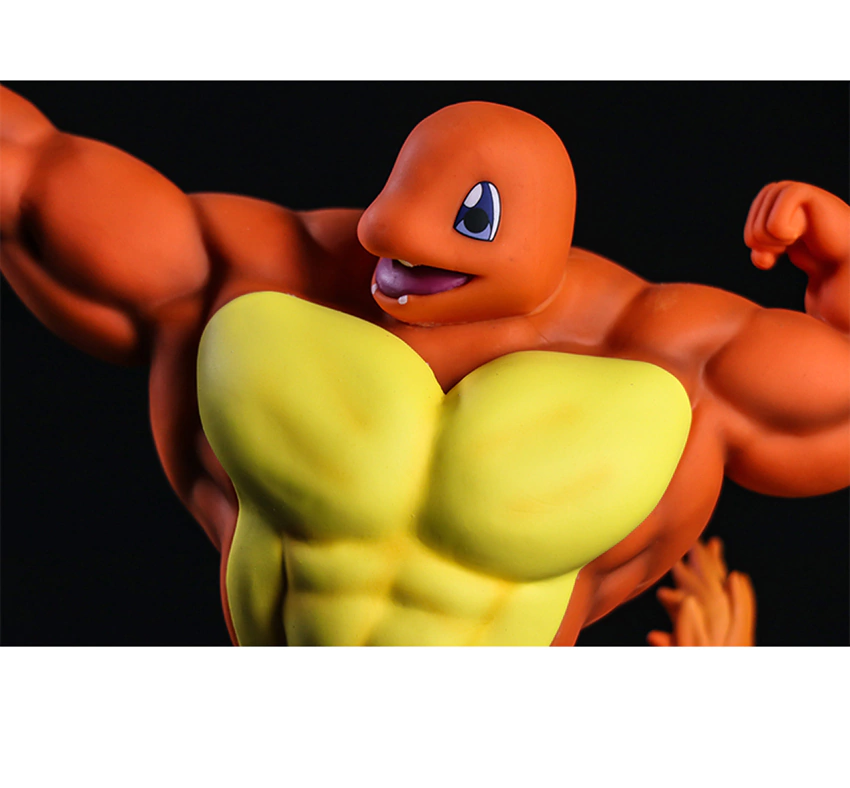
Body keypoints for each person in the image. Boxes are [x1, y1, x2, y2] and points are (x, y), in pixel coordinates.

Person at [2, 86, 847, 645]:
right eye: (396, 200)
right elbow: (28, 176)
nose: (390, 234)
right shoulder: (245, 273)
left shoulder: (687, 358)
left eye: (471, 214)